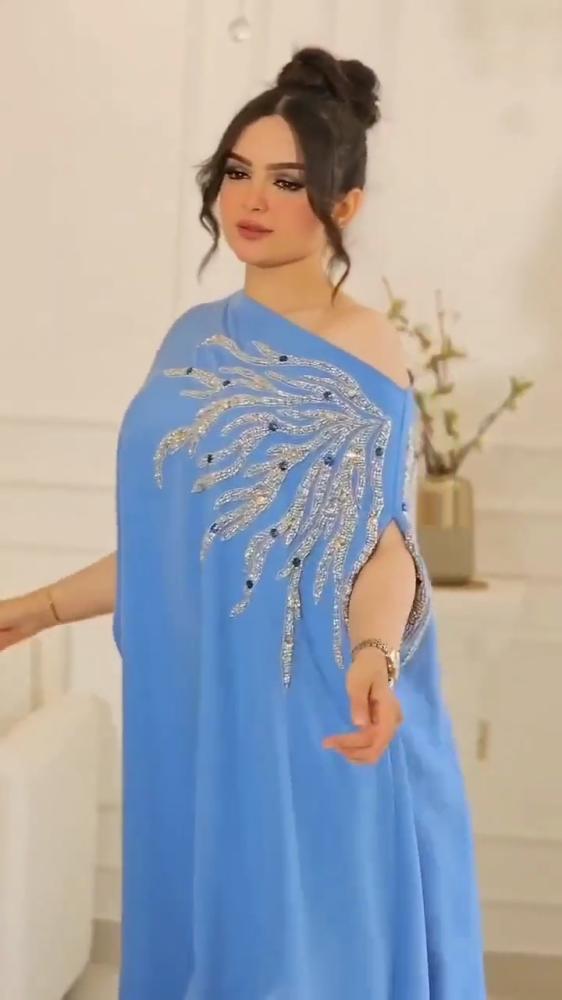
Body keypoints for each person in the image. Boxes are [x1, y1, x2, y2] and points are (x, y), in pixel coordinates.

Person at [0, 45, 487, 1000]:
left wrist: (374, 656)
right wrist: (38, 609)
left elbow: (385, 540)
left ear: (344, 204)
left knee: (292, 958)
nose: (252, 200)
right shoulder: (189, 338)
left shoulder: (363, 346)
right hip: (195, 705)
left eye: (288, 181)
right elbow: (186, 549)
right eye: (237, 172)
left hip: (308, 703)